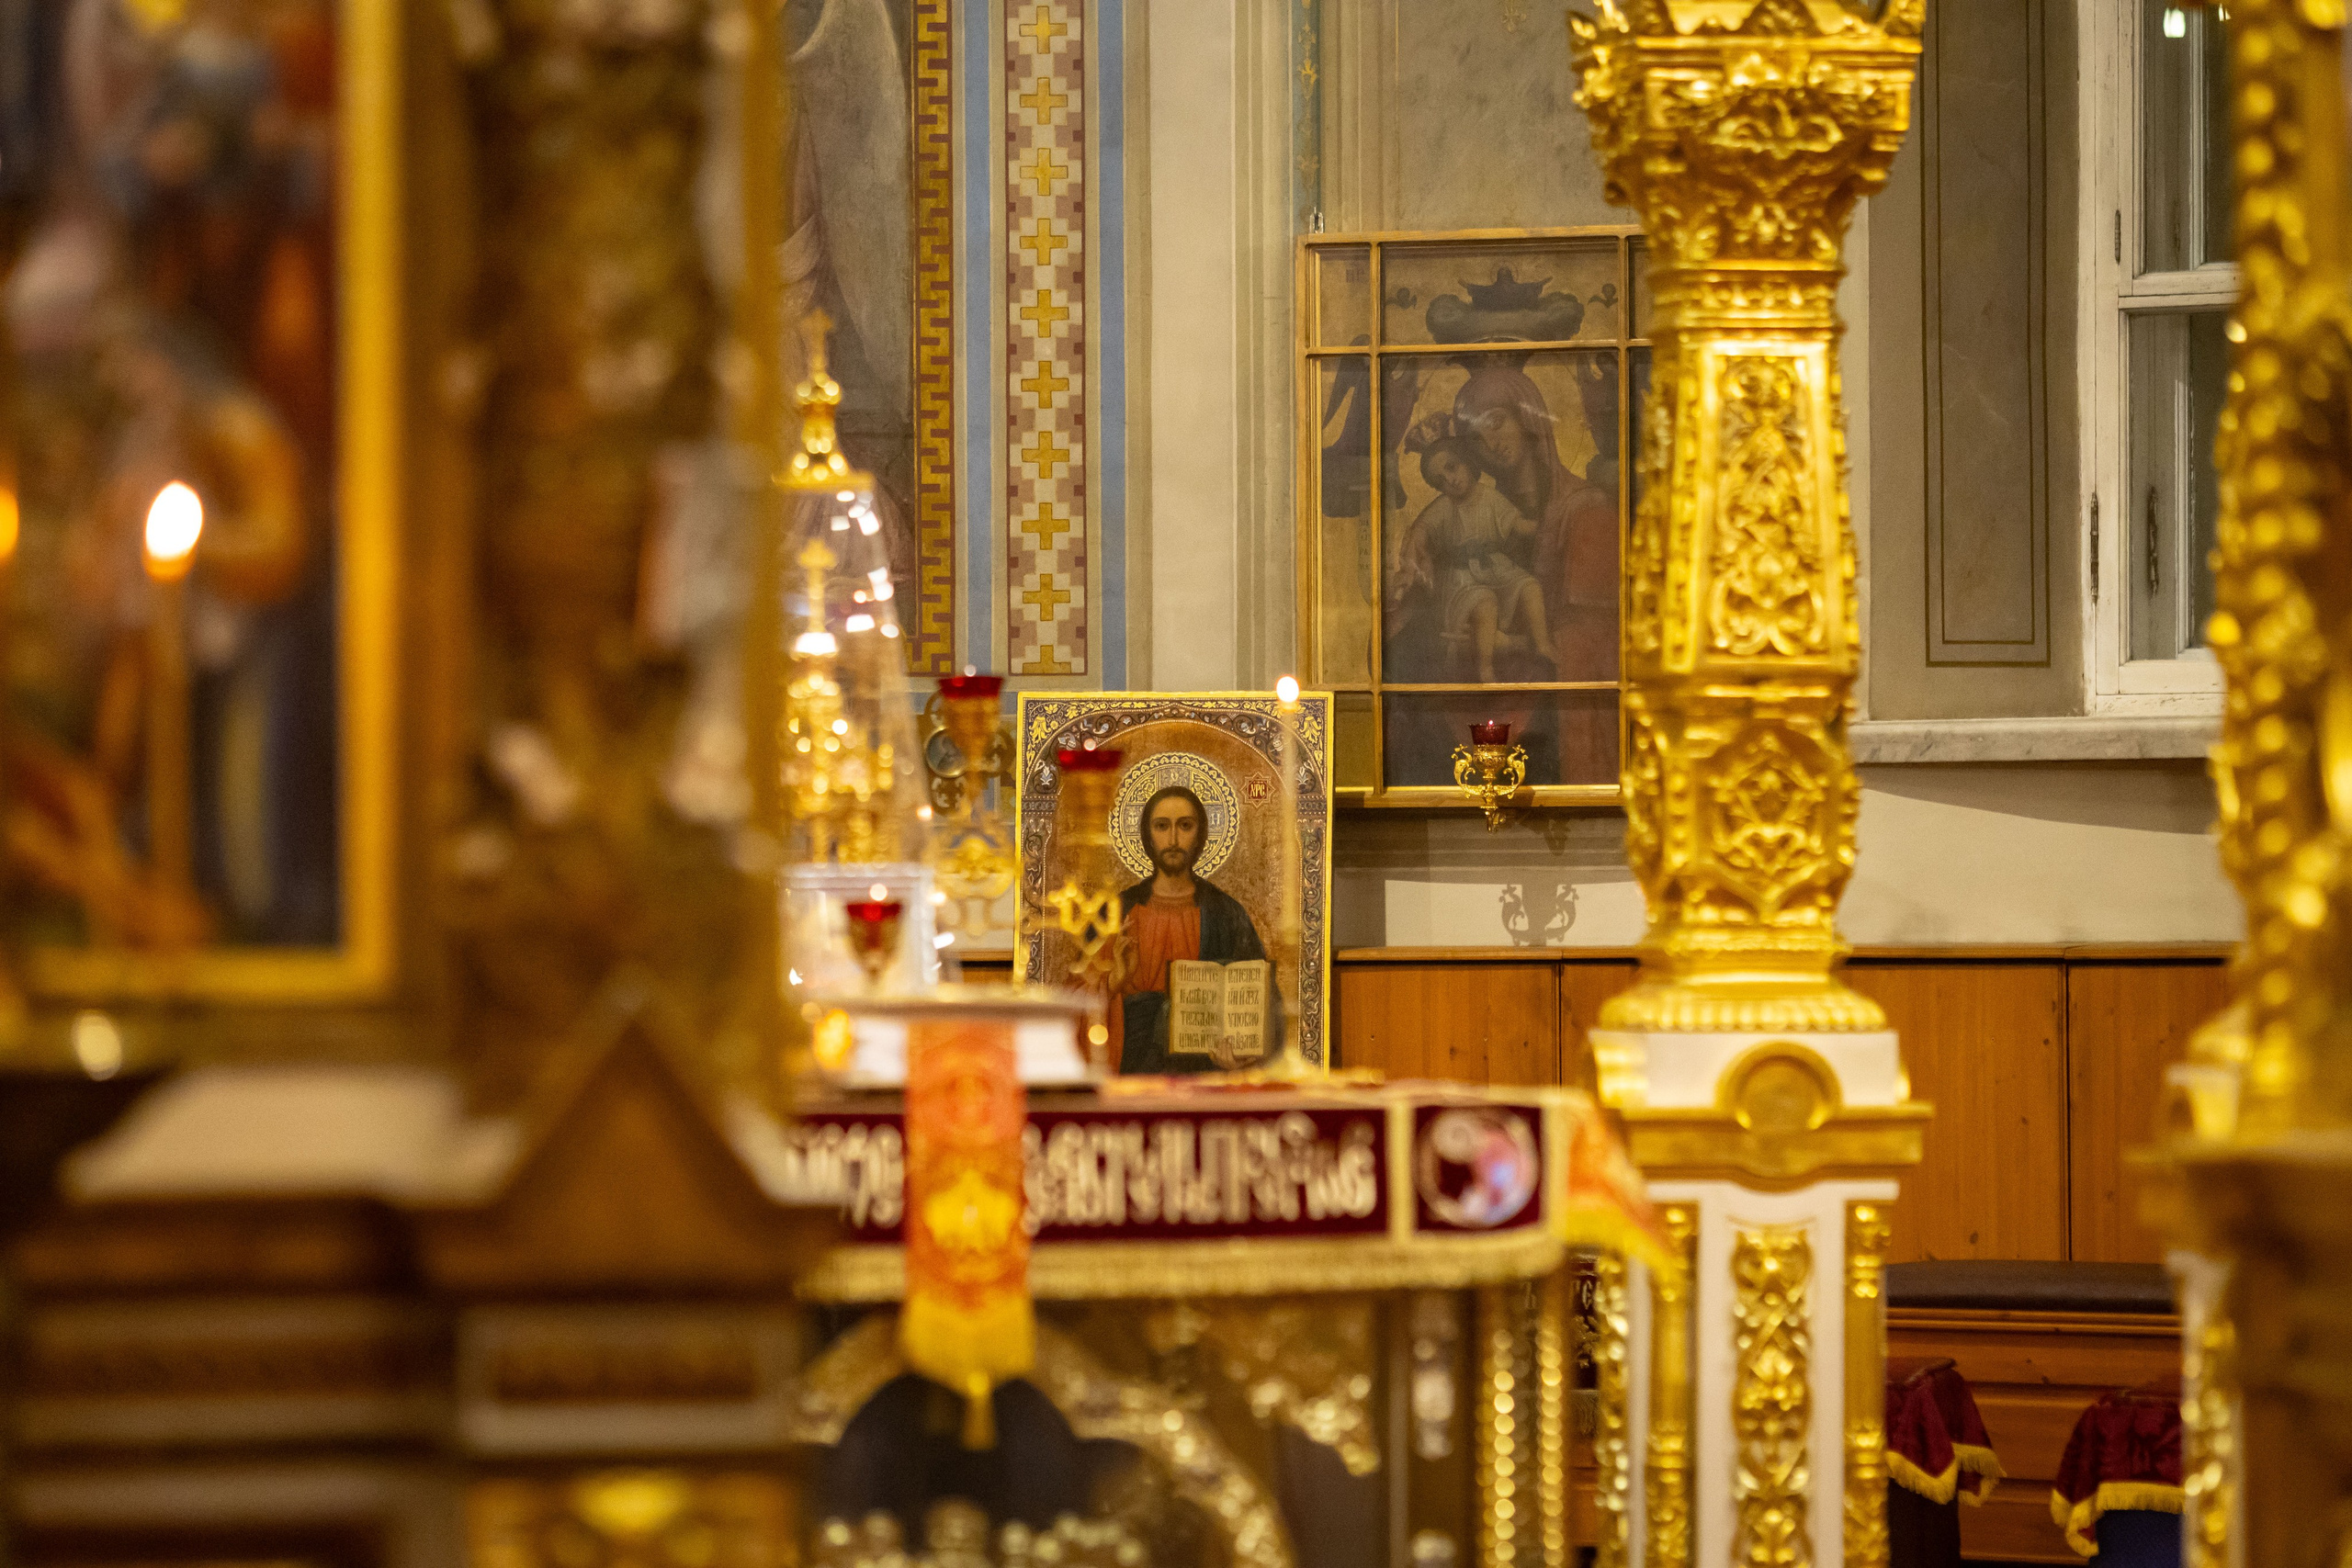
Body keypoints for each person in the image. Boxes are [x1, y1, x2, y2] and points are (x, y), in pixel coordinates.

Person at [1109, 784, 1281, 1076]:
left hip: (1206, 1075)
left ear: (1200, 834)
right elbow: (1076, 998)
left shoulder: (1226, 913)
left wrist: (1241, 1053)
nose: (1173, 839)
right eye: (1162, 826)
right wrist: (1113, 981)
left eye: (1185, 826)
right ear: (1147, 835)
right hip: (1131, 1073)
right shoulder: (1117, 911)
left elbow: (1262, 998)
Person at [1390, 437, 1556, 682]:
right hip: (1461, 579)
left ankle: (1543, 645)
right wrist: (1411, 562)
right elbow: (1421, 531)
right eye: (1440, 481)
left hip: (1496, 567)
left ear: (1466, 461)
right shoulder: (1444, 507)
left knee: (1530, 586)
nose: (1451, 480)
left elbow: (1517, 525)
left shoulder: (1490, 497)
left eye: (1452, 467)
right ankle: (1485, 668)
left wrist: (1545, 524)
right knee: (1485, 602)